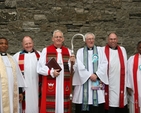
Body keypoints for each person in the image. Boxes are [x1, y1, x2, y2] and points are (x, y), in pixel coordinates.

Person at [37, 29, 75, 113]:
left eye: (60, 37)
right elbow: (39, 68)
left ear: (63, 39)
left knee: (63, 105)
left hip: (64, 84)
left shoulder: (68, 51)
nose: (58, 38)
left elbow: (72, 69)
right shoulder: (46, 50)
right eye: (56, 37)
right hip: (51, 82)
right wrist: (50, 72)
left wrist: (73, 62)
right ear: (52, 39)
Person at [72, 32, 108, 113]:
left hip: (97, 82)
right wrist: (88, 75)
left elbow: (104, 63)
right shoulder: (80, 51)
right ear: (85, 41)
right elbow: (79, 65)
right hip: (83, 83)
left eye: (92, 39)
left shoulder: (100, 50)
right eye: (89, 39)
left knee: (97, 105)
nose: (91, 41)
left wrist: (96, 74)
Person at [13, 36, 40, 113]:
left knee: (37, 105)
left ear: (33, 43)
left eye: (30, 43)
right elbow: (15, 74)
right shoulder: (16, 56)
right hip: (24, 88)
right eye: (26, 44)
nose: (28, 45)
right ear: (22, 44)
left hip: (37, 86)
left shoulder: (40, 55)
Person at [103, 32, 128, 113]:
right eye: (111, 39)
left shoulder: (123, 50)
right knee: (110, 106)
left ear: (117, 40)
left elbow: (126, 68)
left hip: (120, 84)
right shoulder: (102, 50)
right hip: (108, 84)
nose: (113, 41)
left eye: (114, 39)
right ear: (108, 40)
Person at [0, 37, 25, 113]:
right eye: (1, 43)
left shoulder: (12, 59)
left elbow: (18, 76)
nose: (4, 45)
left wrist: (20, 91)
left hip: (12, 91)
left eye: (6, 43)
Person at [127, 41, 141, 113]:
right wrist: (128, 86)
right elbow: (127, 72)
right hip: (134, 89)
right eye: (140, 47)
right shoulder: (132, 59)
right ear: (137, 48)